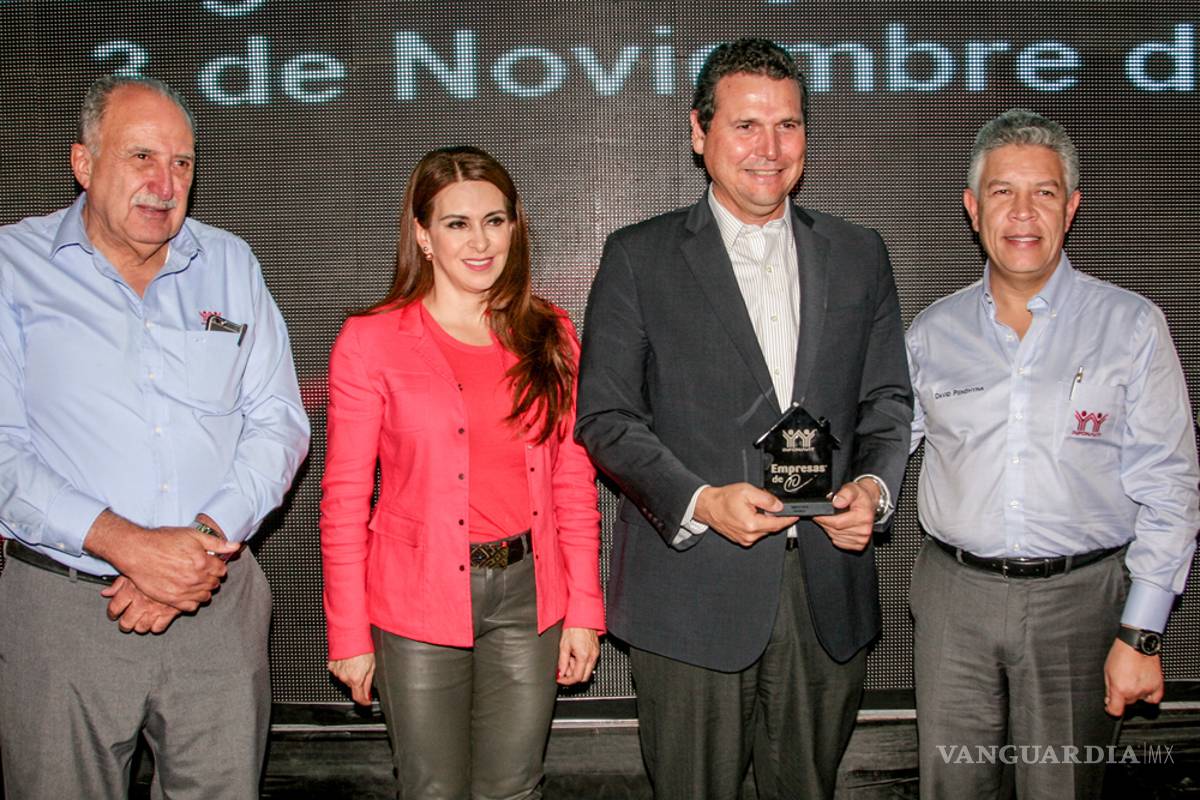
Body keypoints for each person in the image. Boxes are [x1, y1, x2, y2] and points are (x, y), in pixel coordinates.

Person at [575, 38, 912, 800]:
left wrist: (872, 489)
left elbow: (888, 402)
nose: (770, 147)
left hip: (825, 593)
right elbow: (606, 417)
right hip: (691, 593)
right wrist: (701, 502)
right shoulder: (639, 257)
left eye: (788, 125)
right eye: (746, 125)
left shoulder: (860, 254)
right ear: (699, 133)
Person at [0, 75, 310, 798]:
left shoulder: (230, 264)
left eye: (182, 162)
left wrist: (198, 544)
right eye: (141, 156)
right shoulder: (11, 267)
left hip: (215, 599)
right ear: (83, 162)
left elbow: (278, 423)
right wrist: (128, 545)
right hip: (64, 609)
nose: (165, 184)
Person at [906, 108, 1200, 798]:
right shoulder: (930, 333)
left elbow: (1171, 487)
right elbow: (880, 454)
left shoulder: (1132, 326)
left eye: (1043, 192)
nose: (1023, 212)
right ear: (973, 208)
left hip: (1082, 602)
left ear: (1070, 208)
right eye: (1002, 192)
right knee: (950, 788)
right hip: (954, 601)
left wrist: (1142, 634)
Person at [321, 146, 605, 799]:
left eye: (494, 221)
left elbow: (572, 481)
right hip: (416, 598)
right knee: (433, 790)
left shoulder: (551, 333)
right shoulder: (370, 341)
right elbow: (343, 500)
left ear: (514, 227)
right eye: (457, 224)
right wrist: (348, 631)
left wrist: (584, 610)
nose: (480, 242)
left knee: (514, 789)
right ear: (423, 235)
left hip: (530, 599)